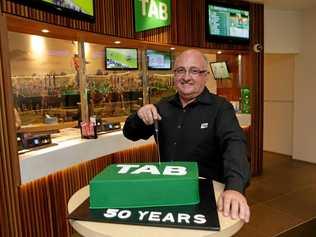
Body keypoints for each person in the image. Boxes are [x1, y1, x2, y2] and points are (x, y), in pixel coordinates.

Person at [123, 49, 250, 223]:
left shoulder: (221, 108)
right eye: (180, 70)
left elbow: (235, 144)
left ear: (205, 76)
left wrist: (235, 187)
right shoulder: (162, 106)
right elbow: (130, 134)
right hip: (167, 191)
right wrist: (139, 116)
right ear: (174, 75)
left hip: (207, 194)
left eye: (194, 71)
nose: (186, 77)